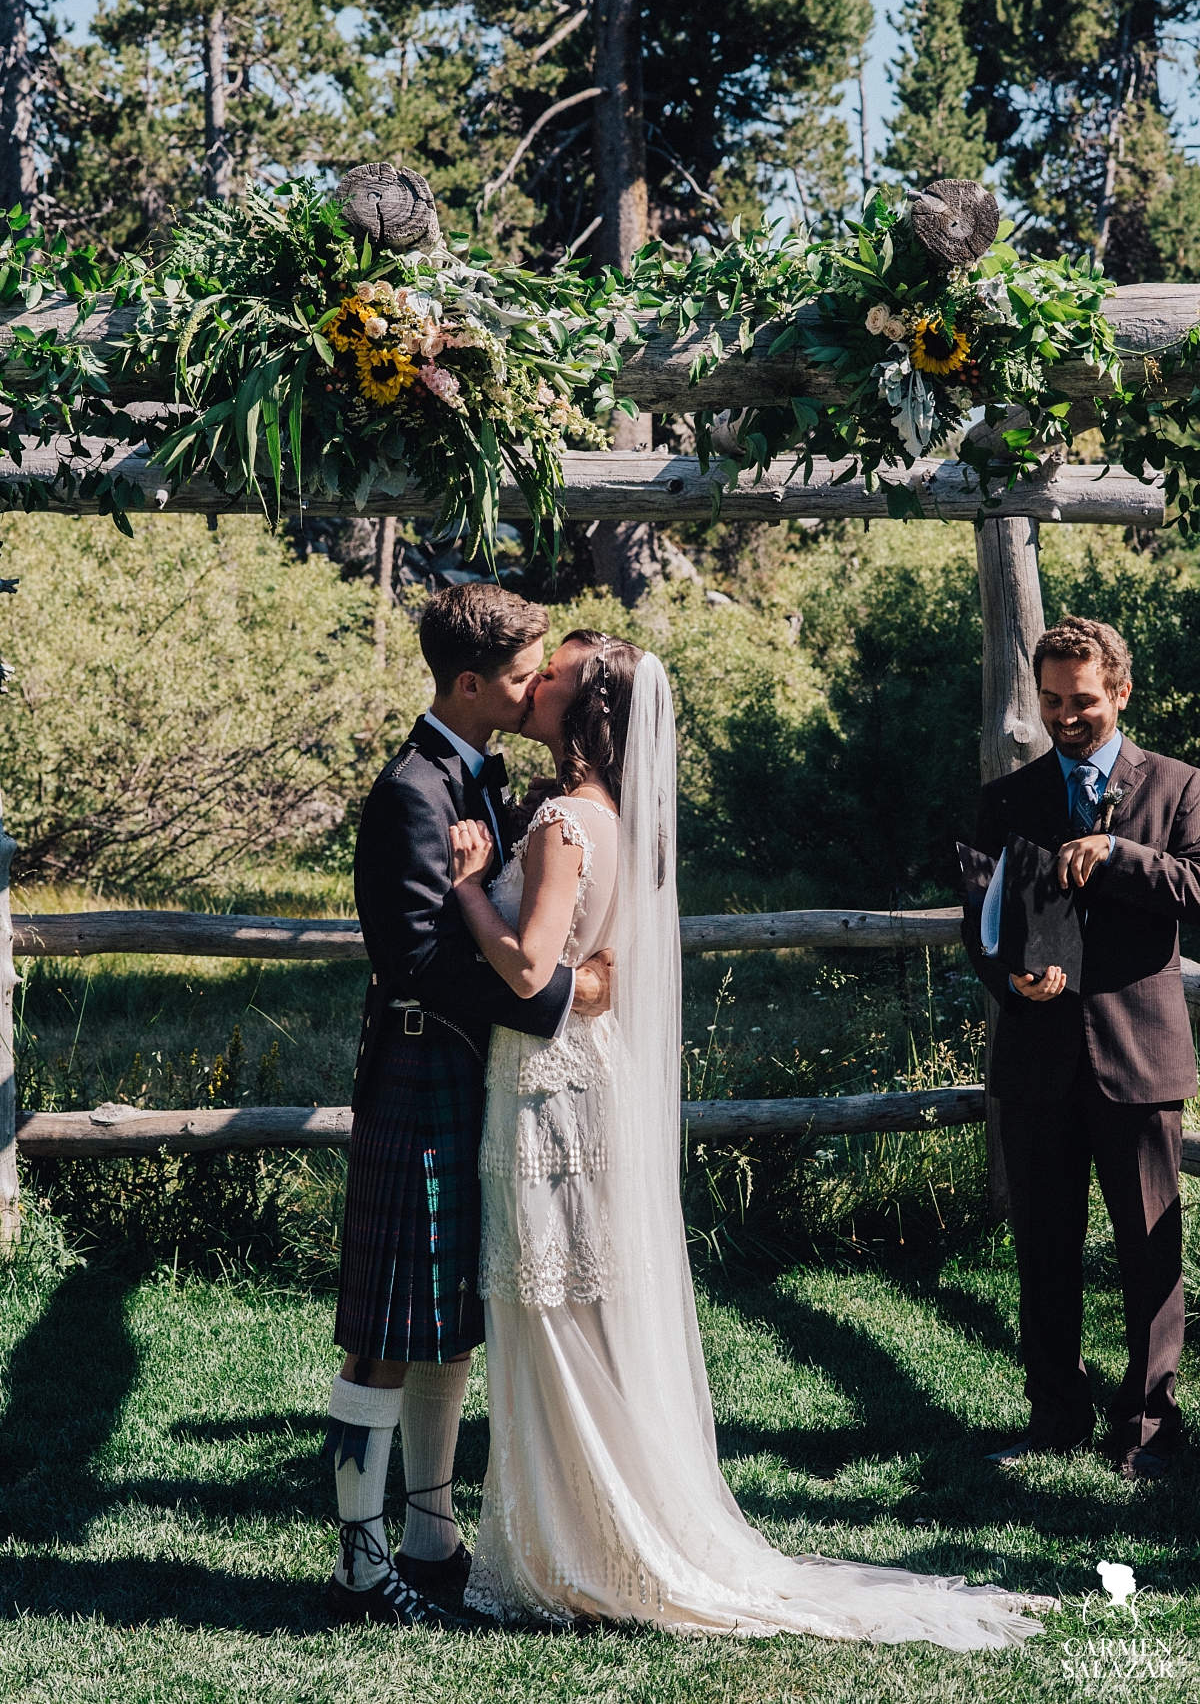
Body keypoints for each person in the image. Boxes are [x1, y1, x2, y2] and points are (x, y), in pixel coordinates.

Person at [446, 630, 1047, 1647]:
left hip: (552, 1095)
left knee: (552, 1308)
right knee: (570, 1309)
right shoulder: (618, 819)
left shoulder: (562, 819)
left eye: (557, 671)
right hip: (577, 1076)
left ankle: (587, 1550)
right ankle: (580, 1540)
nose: (537, 679)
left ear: (587, 708)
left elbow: (526, 967)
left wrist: (467, 886)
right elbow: (601, 971)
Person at [322, 585, 613, 1627]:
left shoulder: (479, 775)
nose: (540, 684)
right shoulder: (413, 789)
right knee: (385, 1325)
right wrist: (547, 993)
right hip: (419, 1067)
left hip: (465, 1071)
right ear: (469, 684)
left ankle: (430, 1538)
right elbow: (411, 958)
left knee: (444, 1319)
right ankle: (361, 1570)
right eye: (528, 669)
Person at [964, 616, 1198, 1480]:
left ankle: (1146, 1428)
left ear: (1122, 691)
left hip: (1138, 1058)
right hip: (1035, 1061)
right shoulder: (1008, 796)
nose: (1067, 715)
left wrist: (1118, 854)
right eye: (1052, 699)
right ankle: (1054, 1413)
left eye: (1084, 701)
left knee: (1149, 1253)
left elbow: (1199, 885)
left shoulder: (1177, 787)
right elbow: (980, 922)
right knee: (1045, 1248)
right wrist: (1007, 980)